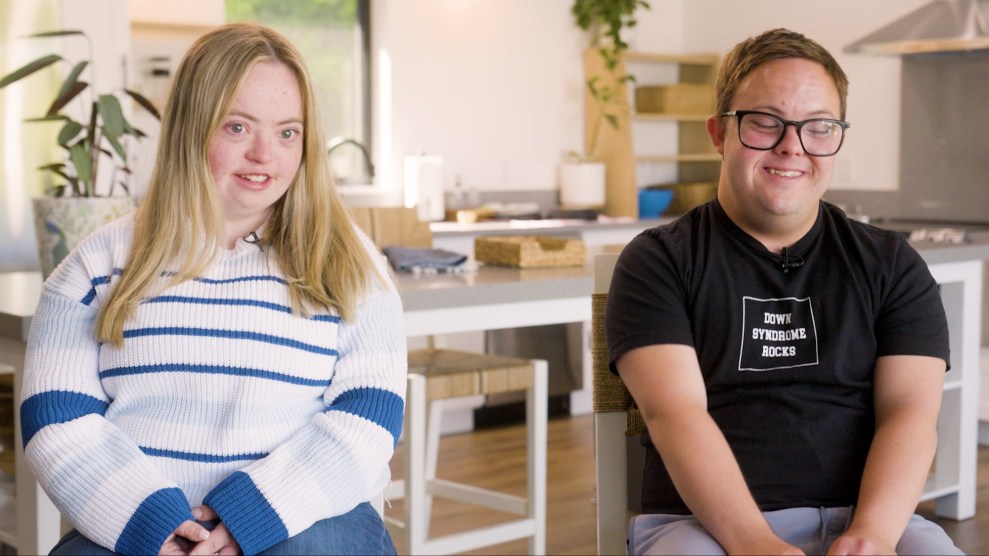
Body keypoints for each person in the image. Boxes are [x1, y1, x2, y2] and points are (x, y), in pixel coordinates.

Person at [20, 22, 405, 556]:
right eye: (238, 127)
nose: (265, 155)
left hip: (306, 518)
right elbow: (57, 419)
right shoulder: (95, 265)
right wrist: (154, 528)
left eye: (287, 132)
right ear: (191, 128)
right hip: (142, 523)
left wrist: (252, 515)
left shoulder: (351, 264)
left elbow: (367, 415)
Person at [606, 28, 964, 555]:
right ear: (719, 133)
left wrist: (873, 535)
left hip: (869, 517)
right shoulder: (659, 260)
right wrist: (753, 541)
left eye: (819, 126)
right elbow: (673, 414)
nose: (792, 146)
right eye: (765, 122)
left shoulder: (892, 264)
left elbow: (910, 413)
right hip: (700, 527)